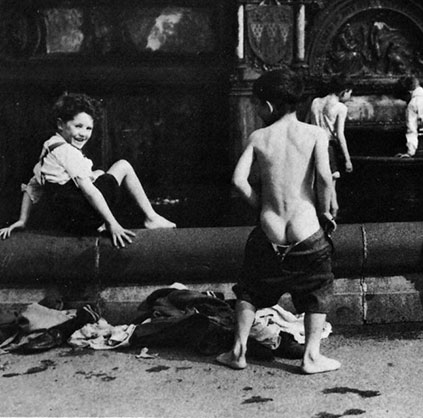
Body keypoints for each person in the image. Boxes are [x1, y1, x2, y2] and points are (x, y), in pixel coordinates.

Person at [217, 68, 340, 374]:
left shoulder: (259, 136)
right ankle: (311, 357)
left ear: (268, 106)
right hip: (306, 229)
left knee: (249, 290)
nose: (256, 111)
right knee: (317, 289)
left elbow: (238, 180)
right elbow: (325, 178)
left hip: (270, 229)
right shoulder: (315, 134)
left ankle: (238, 351)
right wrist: (325, 211)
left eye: (256, 105)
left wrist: (261, 205)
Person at [0, 93, 176, 247]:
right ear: (60, 124)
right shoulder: (68, 153)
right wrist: (112, 224)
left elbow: (33, 186)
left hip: (67, 221)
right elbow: (90, 191)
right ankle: (151, 217)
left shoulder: (49, 148)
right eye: (78, 126)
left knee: (99, 173)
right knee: (123, 166)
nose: (83, 134)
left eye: (88, 128)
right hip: (84, 217)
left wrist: (23, 220)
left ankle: (110, 220)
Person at [307, 74, 354, 179]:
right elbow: (340, 135)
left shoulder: (315, 102)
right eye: (350, 93)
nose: (350, 96)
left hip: (313, 147)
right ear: (344, 91)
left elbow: (308, 125)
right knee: (330, 188)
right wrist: (348, 159)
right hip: (329, 149)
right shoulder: (340, 108)